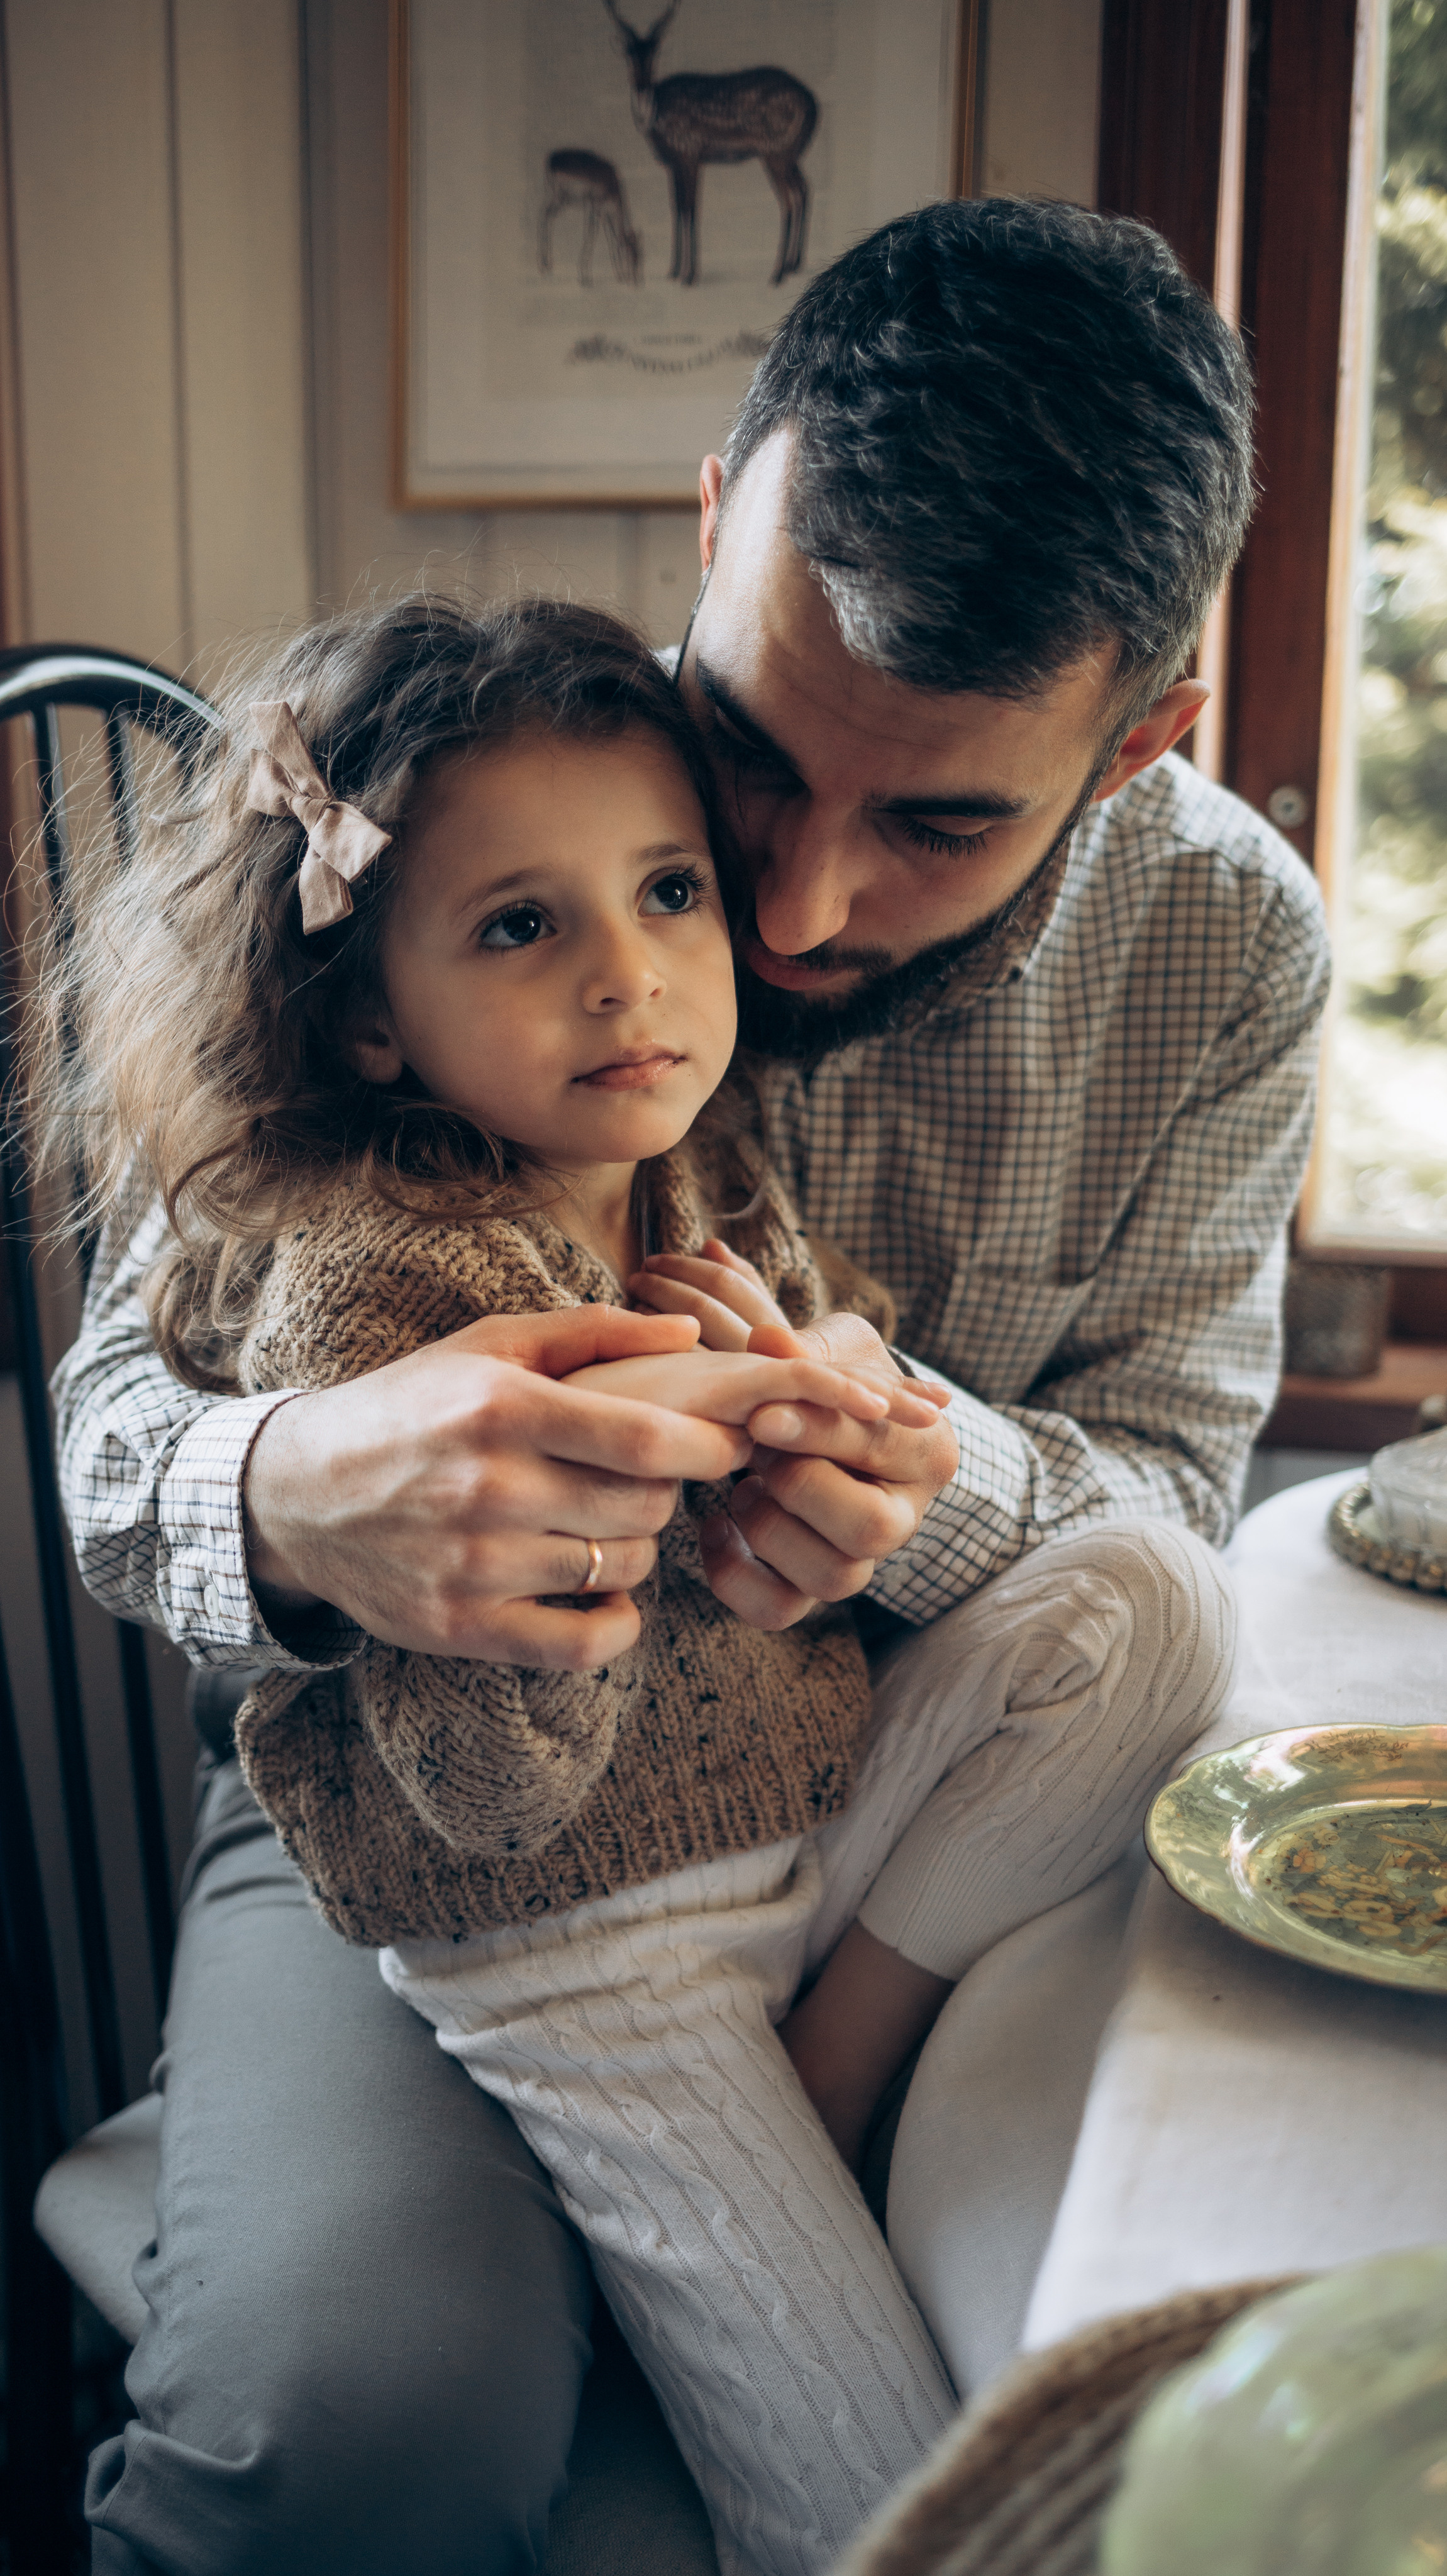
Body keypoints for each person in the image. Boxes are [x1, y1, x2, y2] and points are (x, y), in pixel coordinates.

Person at [47, 199, 1318, 2574]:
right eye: (749, 754)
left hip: (890, 1787)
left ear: (1139, 734)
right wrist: (297, 1484)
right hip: (442, 1810)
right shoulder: (459, 797)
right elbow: (114, 1420)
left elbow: (1165, 1495)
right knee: (359, 2436)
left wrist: (913, 1478)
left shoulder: (1228, 949)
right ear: (717, 520)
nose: (793, 908)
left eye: (940, 821)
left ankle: (747, 2162)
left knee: (1112, 2284)